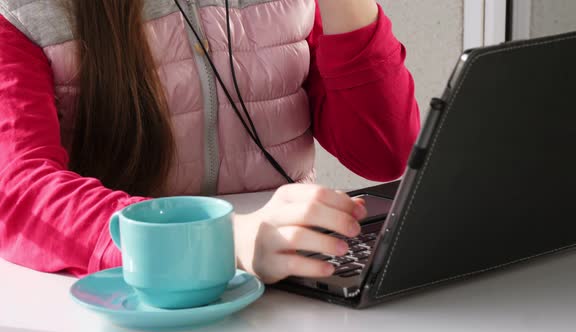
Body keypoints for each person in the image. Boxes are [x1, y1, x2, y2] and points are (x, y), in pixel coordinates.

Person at [0, 0, 420, 284]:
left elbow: (382, 152)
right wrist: (214, 240)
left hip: (286, 286)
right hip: (134, 295)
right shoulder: (19, 11)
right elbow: (18, 190)